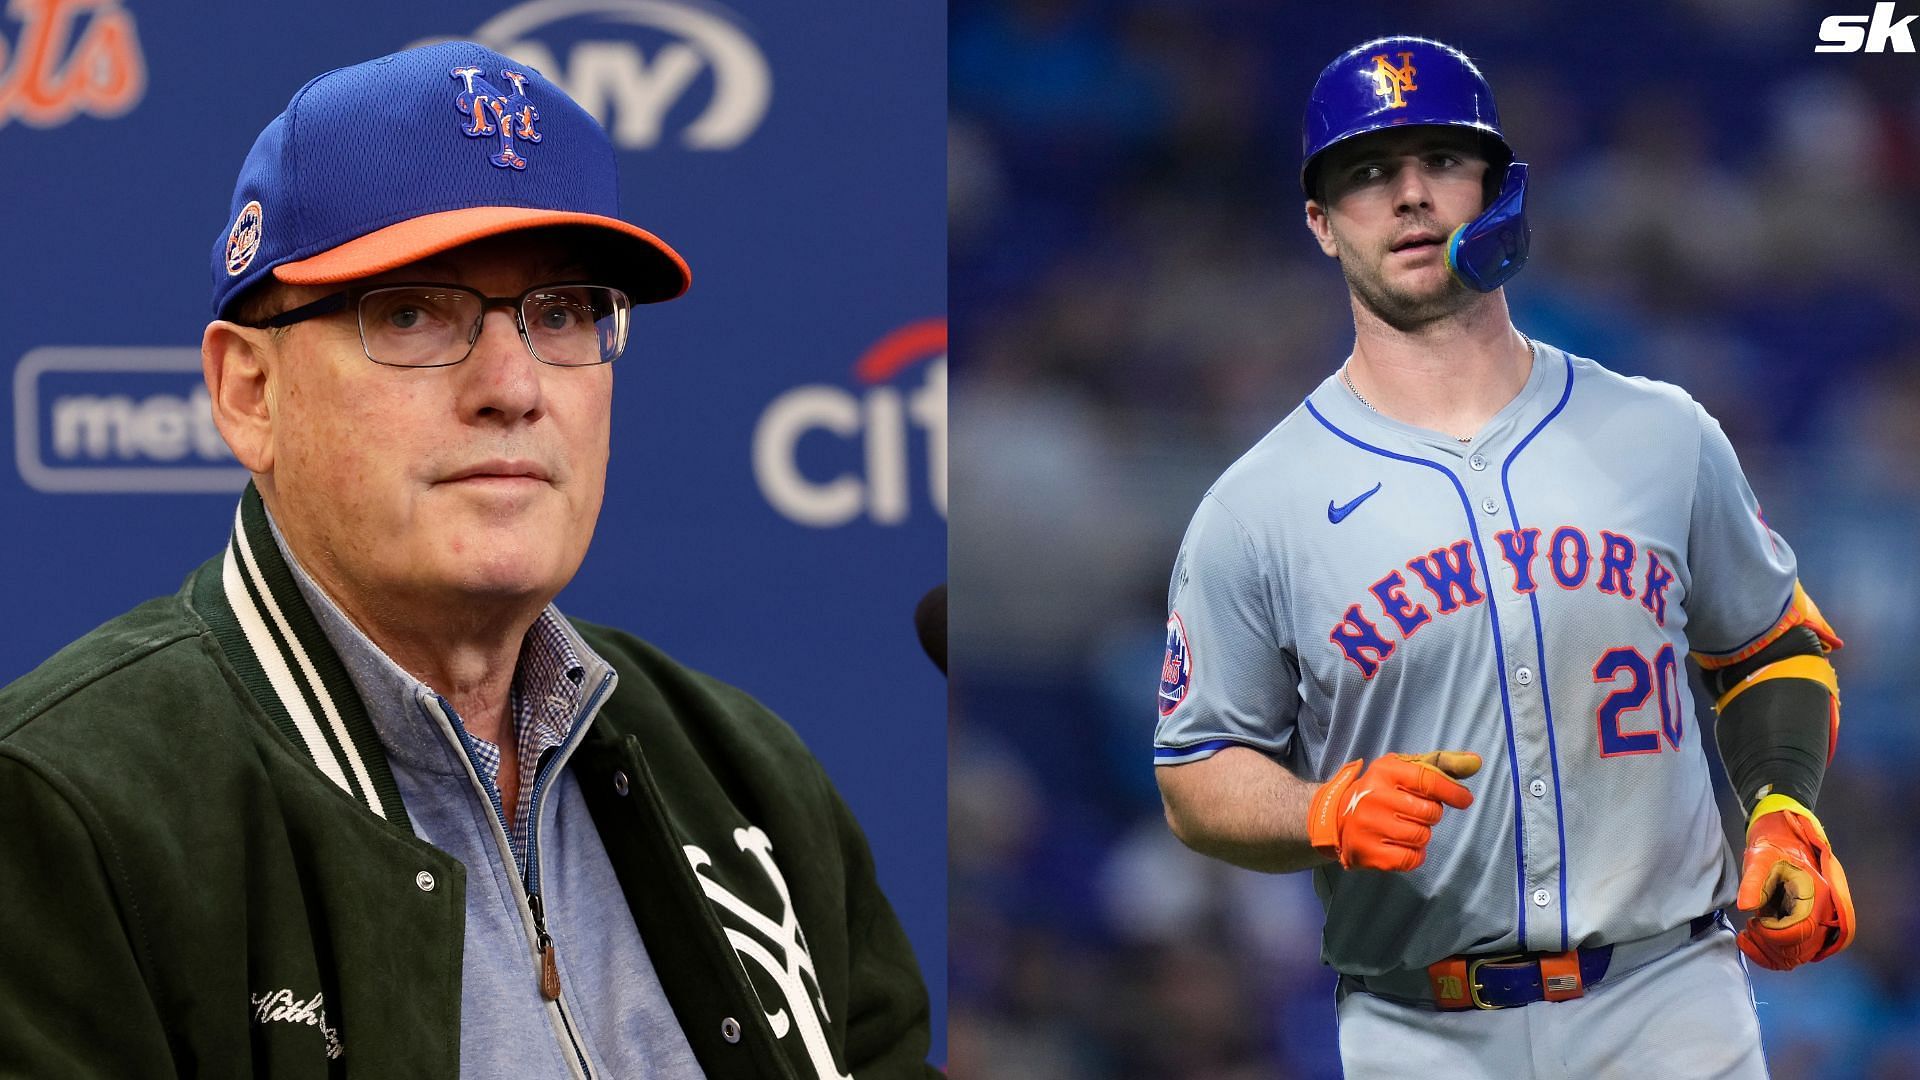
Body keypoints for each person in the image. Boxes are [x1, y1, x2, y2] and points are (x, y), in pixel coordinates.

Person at [0, 42, 934, 1079]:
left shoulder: (746, 774)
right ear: (250, 394)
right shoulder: (61, 806)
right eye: (411, 312)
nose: (513, 386)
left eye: (564, 313)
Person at [1152, 36, 1852, 1078]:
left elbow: (1772, 645)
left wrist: (1785, 807)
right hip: (1418, 1027)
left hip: (1671, 1003)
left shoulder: (1660, 432)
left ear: (1497, 188)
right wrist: (1320, 810)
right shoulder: (1257, 505)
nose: (1409, 197)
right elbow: (1196, 772)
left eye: (1440, 160)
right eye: (1368, 173)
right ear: (1320, 222)